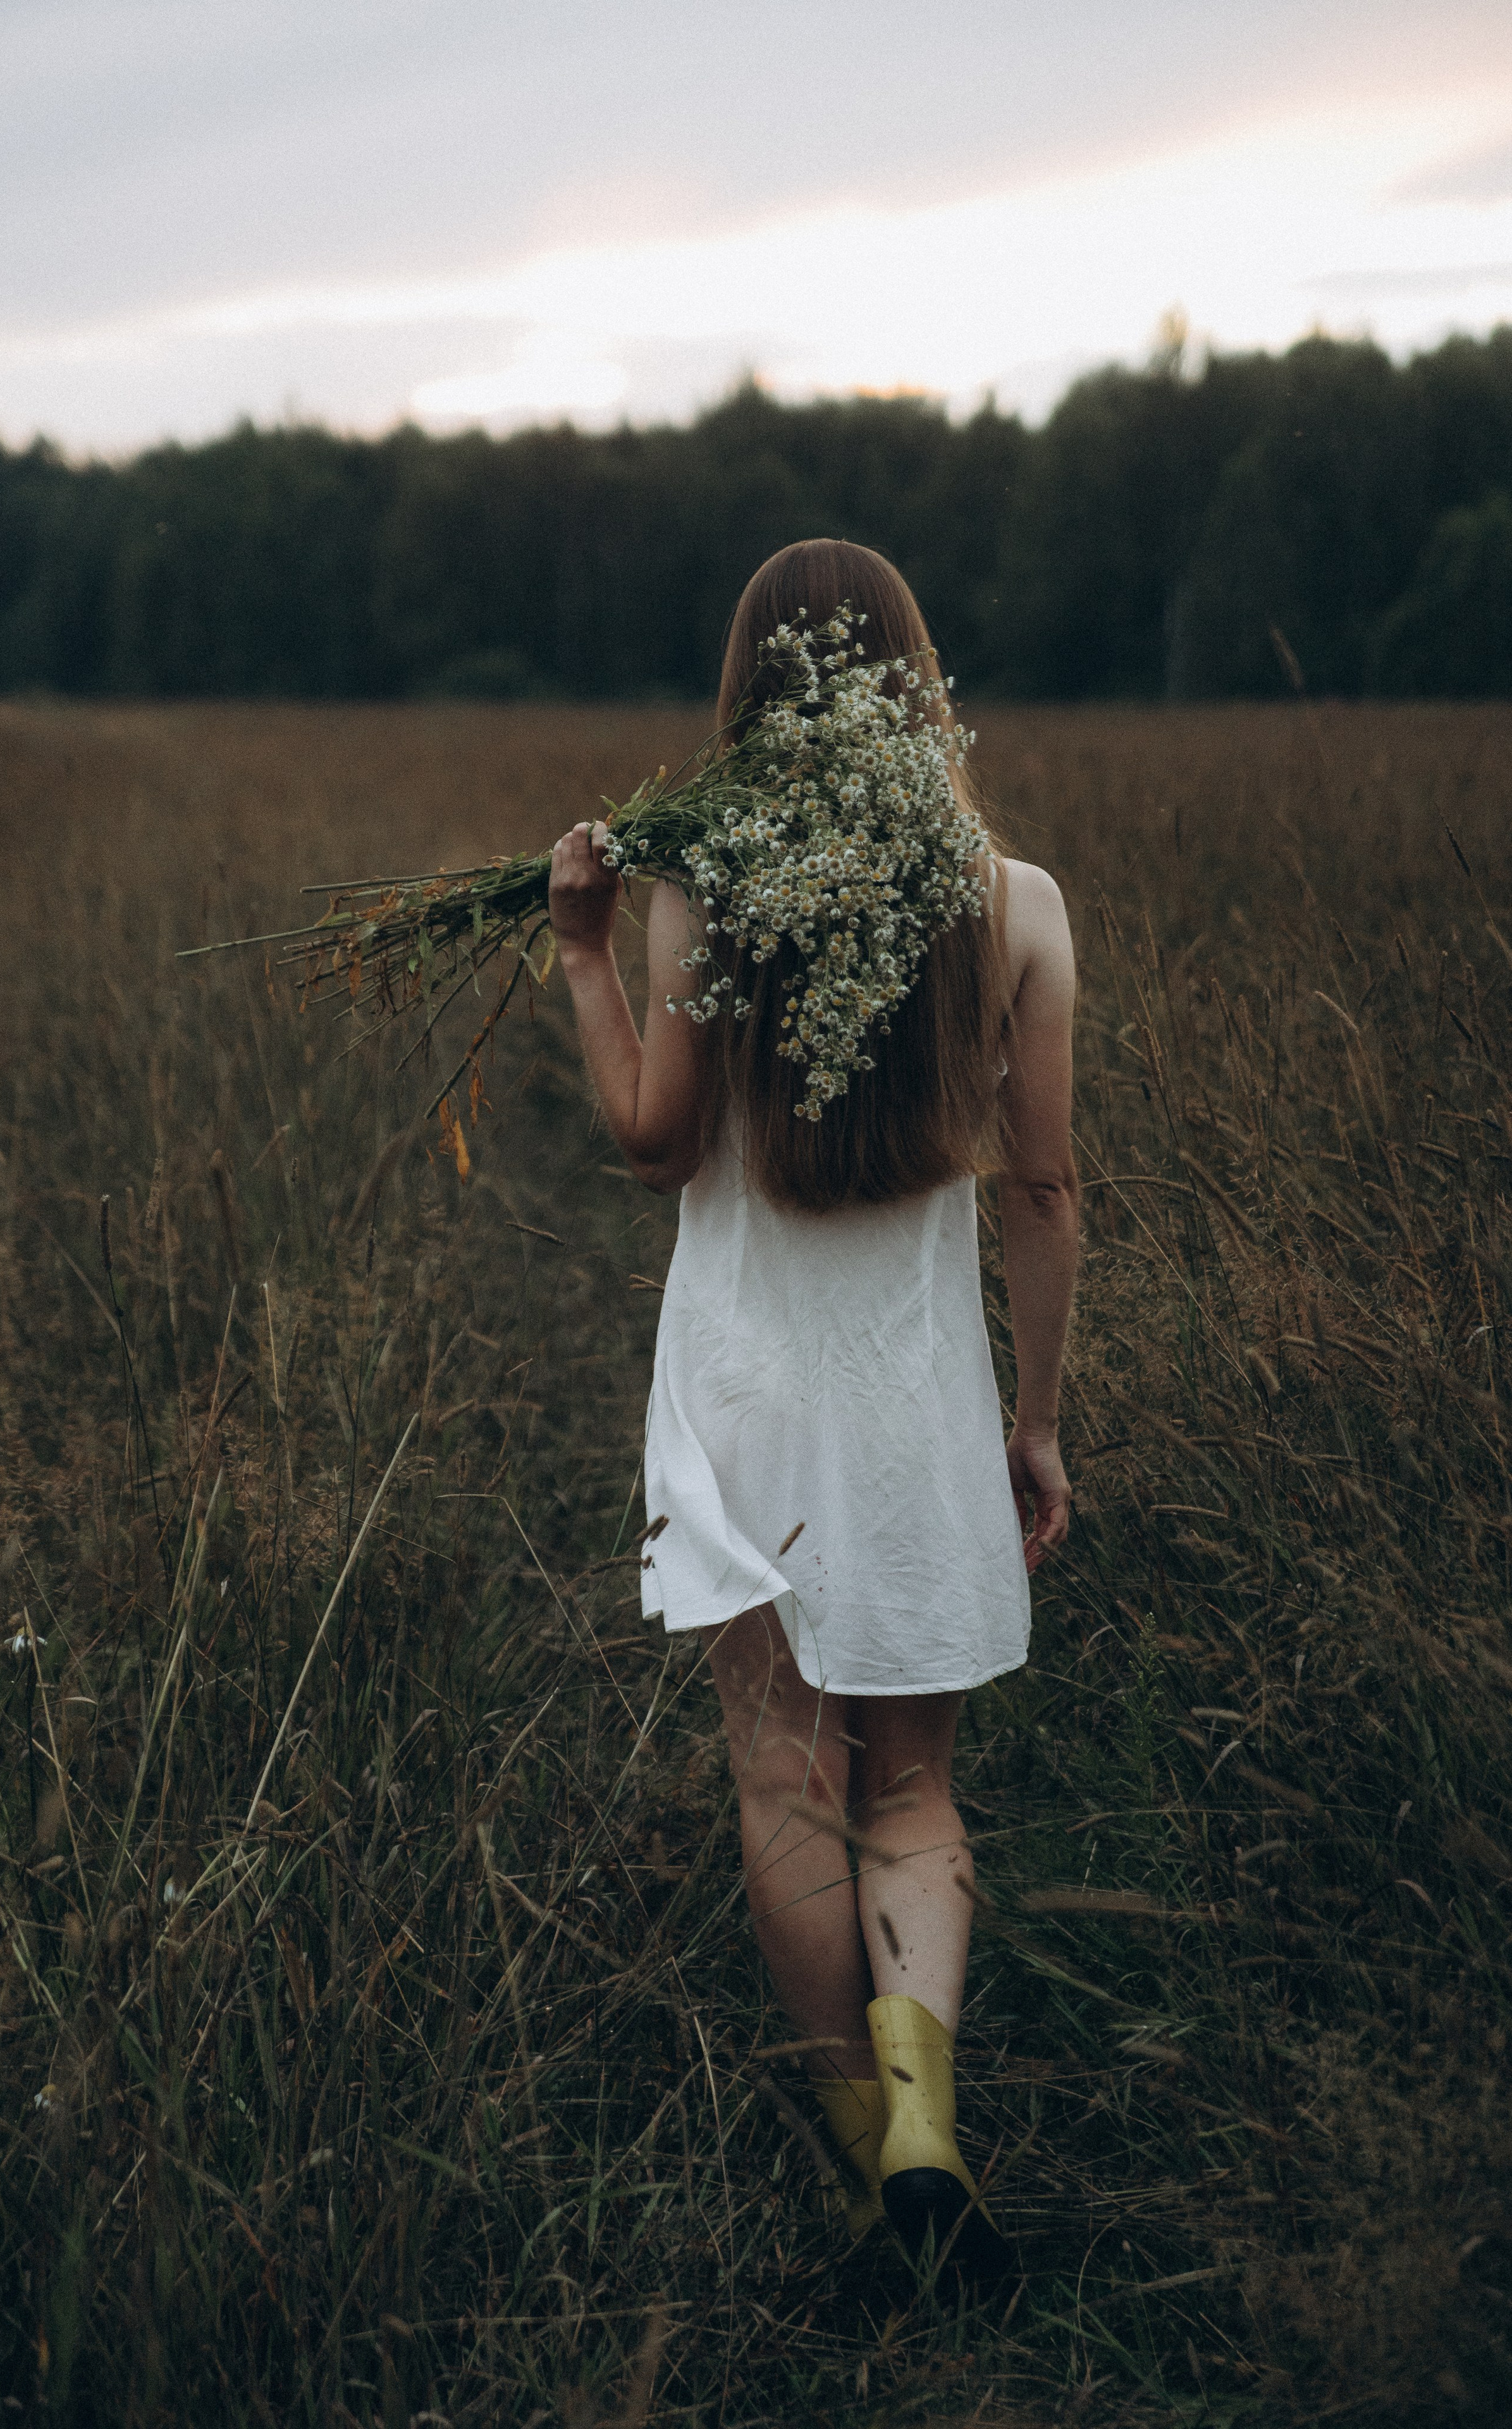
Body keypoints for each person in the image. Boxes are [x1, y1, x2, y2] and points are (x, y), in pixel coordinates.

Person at [547, 538, 1078, 2273]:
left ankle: (863, 2157)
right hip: (918, 1393)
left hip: (746, 1396)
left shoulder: (704, 891)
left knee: (788, 1776)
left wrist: (583, 951)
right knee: (910, 1785)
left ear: (752, 701)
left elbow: (652, 1145)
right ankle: (928, 2124)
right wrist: (1041, 1423)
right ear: (915, 688)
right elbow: (1048, 1193)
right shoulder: (1020, 905)